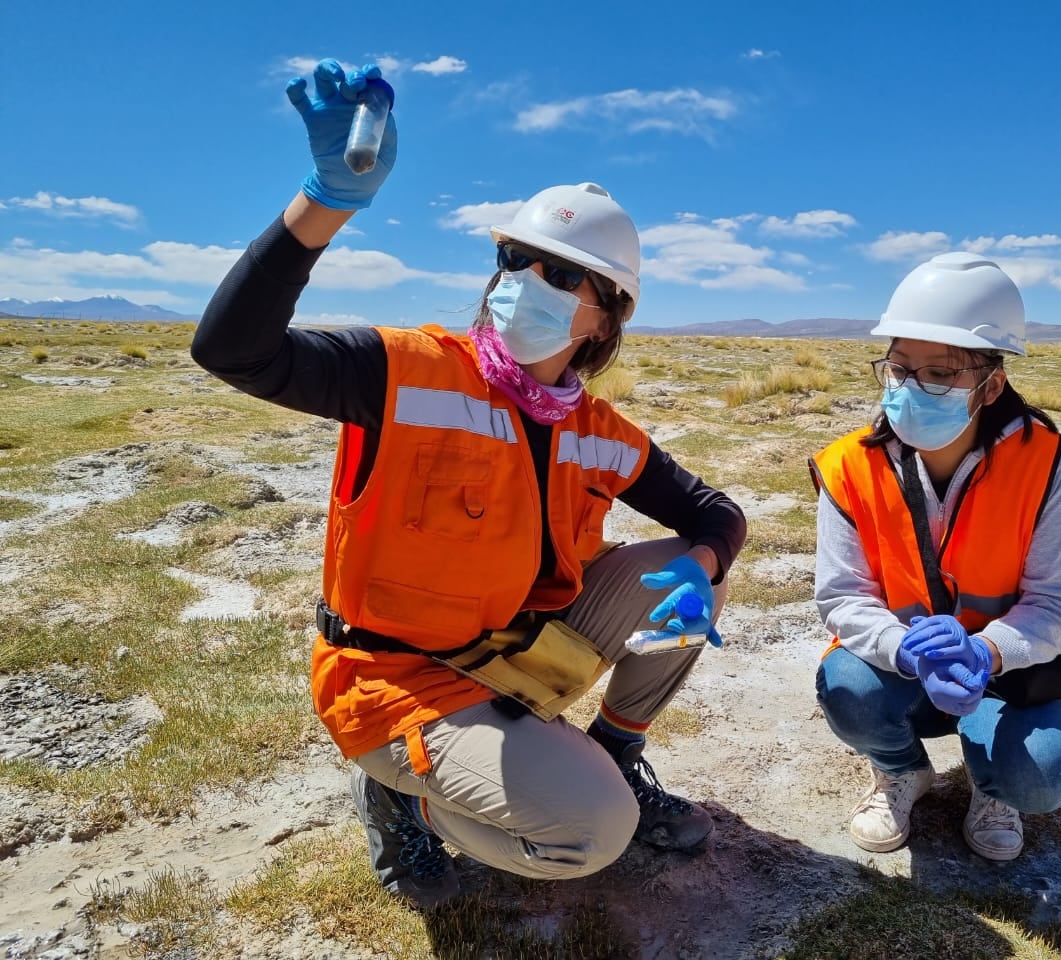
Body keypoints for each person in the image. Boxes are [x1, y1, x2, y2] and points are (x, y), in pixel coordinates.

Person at [191, 60, 746, 907]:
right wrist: (325, 200)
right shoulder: (400, 373)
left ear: (605, 316)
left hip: (517, 656)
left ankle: (615, 756)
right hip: (396, 679)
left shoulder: (597, 431)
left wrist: (706, 563)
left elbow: (716, 514)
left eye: (562, 275)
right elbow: (232, 351)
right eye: (517, 258)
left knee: (679, 568)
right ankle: (405, 796)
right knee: (593, 831)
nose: (527, 281)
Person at [808, 252, 1061, 862]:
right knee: (847, 686)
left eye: (942, 372)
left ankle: (995, 788)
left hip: (1006, 673)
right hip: (900, 667)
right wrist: (900, 647)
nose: (913, 387)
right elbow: (841, 596)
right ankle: (901, 772)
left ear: (991, 385)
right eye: (901, 367)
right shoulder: (849, 466)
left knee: (1040, 775)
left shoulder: (1044, 462)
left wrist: (987, 652)